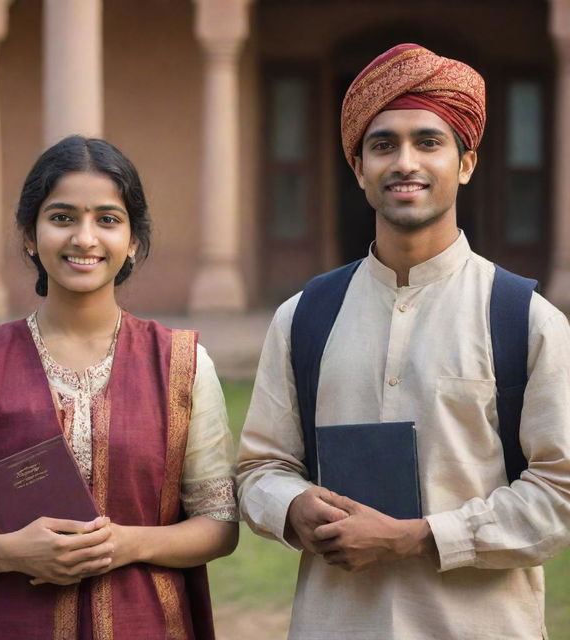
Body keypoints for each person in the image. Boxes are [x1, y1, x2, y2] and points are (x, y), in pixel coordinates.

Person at [236, 43, 570, 639]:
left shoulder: (525, 319)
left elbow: (559, 495)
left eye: (429, 142)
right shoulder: (305, 317)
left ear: (466, 163)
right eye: (383, 145)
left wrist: (415, 537)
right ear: (359, 167)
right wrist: (290, 505)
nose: (404, 162)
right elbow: (261, 466)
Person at [0, 135, 238, 639]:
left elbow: (220, 523)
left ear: (134, 240)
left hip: (146, 623)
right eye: (63, 217)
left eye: (107, 220)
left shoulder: (181, 363)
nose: (85, 238)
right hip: (5, 624)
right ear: (30, 234)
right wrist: (11, 550)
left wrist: (128, 544)